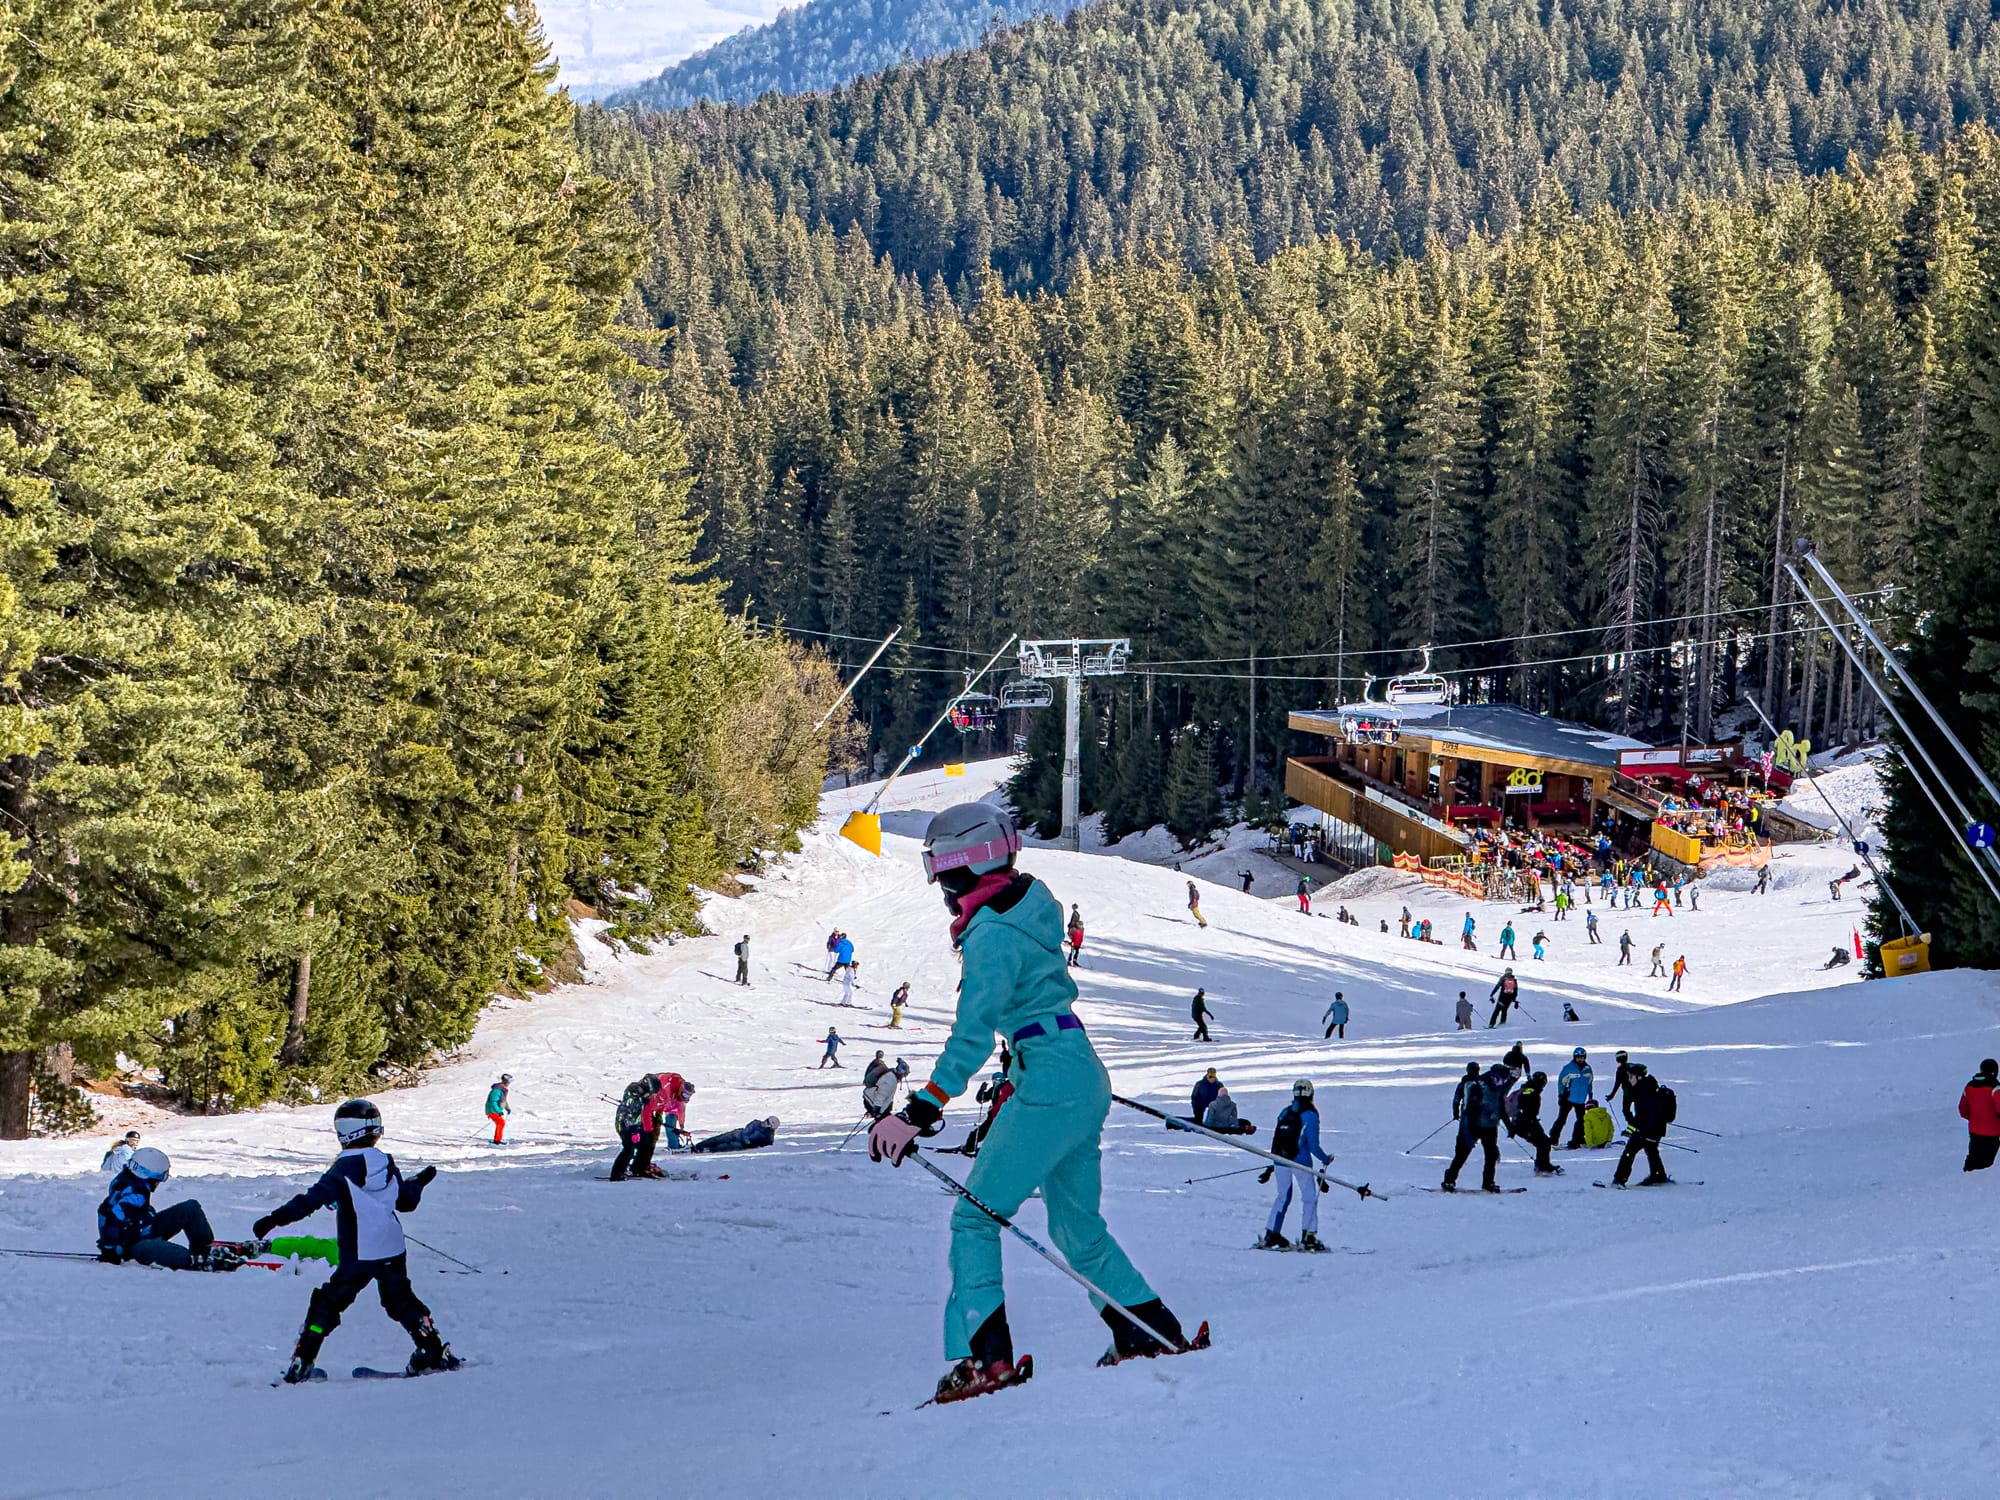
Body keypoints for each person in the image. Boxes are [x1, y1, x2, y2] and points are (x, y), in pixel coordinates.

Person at [868, 802, 1199, 1403]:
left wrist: (919, 1110)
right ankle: (1151, 1333)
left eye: (942, 872)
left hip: (1048, 1077)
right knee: (1078, 1228)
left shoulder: (990, 935)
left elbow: (971, 1034)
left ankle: (984, 1360)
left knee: (975, 1217)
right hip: (1072, 1068)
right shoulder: (1029, 904)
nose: (941, 887)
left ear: (962, 869)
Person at [254, 1099, 454, 1383]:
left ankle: (302, 1363)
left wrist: (273, 1219)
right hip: (392, 1247)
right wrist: (419, 1182)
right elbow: (405, 1201)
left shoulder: (345, 1166)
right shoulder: (384, 1161)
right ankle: (433, 1353)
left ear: (344, 1133)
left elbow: (312, 1200)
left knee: (328, 1303)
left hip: (359, 1252)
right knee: (400, 1300)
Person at [97, 1148, 236, 1271]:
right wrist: (110, 1250)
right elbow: (113, 1219)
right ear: (147, 1174)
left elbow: (136, 1212)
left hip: (146, 1229)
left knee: (190, 1208)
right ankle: (194, 1261)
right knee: (173, 1254)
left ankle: (204, 1249)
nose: (159, 1183)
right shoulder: (133, 1193)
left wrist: (148, 1214)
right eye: (158, 1178)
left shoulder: (133, 1182)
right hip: (133, 1245)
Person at [1259, 1080, 1333, 1250]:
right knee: (1309, 1198)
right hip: (1301, 1162)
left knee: (1283, 1196)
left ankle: (1271, 1233)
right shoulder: (1310, 1115)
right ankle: (1309, 1236)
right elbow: (1313, 1145)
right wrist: (1325, 1159)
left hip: (1280, 1159)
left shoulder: (1285, 1112)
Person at [1443, 1063, 1502, 1193]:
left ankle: (1451, 1180)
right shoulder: (1477, 1083)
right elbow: (1462, 1100)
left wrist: (1456, 1113)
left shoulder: (1480, 1083)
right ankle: (1451, 1180)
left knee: (1470, 1153)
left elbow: (1457, 1099)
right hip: (1472, 1122)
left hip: (1475, 1122)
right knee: (1464, 1153)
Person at [1610, 1072, 1673, 1186]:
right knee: (1651, 1150)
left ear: (1638, 1077)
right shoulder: (1651, 1087)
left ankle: (1620, 1179)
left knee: (1629, 1152)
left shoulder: (1642, 1091)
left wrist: (1631, 1130)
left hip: (1646, 1130)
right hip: (1657, 1128)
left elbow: (1641, 1115)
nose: (1629, 1080)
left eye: (1631, 1077)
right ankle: (1658, 1175)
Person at [609, 1075, 659, 1181]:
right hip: (626, 1126)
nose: (650, 1096)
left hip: (636, 1125)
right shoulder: (632, 1096)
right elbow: (628, 1114)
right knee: (629, 1149)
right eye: (649, 1093)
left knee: (645, 1146)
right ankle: (617, 1173)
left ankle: (638, 1169)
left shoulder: (640, 1096)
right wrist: (632, 1130)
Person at [1515, 1071, 1561, 1174]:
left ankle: (1543, 1164)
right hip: (1526, 1122)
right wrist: (1529, 1122)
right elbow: (1527, 1109)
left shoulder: (1528, 1089)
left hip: (1525, 1121)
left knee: (1543, 1142)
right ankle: (1542, 1166)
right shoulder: (1532, 1092)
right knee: (1543, 1143)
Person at [1960, 1059, 2000, 1171]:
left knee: (1973, 1159)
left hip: (1974, 1131)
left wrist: (1975, 1119)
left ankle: (1965, 1177)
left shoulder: (1969, 1086)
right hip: (1992, 1132)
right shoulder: (1995, 1087)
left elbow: (1962, 1110)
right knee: (1986, 1164)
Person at [1554, 1048, 1593, 1147]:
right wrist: (1561, 1095)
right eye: (1578, 1057)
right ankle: (1553, 1138)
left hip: (1580, 1099)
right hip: (1568, 1098)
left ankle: (1577, 1139)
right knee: (1562, 1119)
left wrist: (1590, 1093)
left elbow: (1589, 1082)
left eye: (1582, 1057)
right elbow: (1561, 1082)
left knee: (1582, 1120)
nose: (1580, 1059)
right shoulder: (1568, 1068)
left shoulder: (1588, 1069)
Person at [691, 1117, 779, 1153]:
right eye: (766, 1120)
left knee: (725, 1147)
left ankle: (707, 1150)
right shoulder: (756, 1123)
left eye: (767, 1123)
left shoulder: (768, 1137)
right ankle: (698, 1146)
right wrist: (747, 1141)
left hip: (743, 1145)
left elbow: (766, 1144)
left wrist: (750, 1144)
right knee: (719, 1139)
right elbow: (746, 1131)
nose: (764, 1122)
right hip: (738, 1135)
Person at [484, 1074, 511, 1145]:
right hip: (492, 1110)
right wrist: (498, 1111)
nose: (509, 1083)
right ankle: (497, 1141)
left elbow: (503, 1100)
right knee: (501, 1123)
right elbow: (493, 1101)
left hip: (495, 1110)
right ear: (506, 1081)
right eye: (509, 1081)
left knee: (501, 1123)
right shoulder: (497, 1090)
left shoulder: (502, 1089)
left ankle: (497, 1140)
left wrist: (507, 1108)